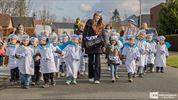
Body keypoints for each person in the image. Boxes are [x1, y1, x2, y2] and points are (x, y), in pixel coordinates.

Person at [82, 10, 105, 84]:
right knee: (90, 61)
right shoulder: (89, 23)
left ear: (100, 17)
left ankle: (97, 78)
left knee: (97, 62)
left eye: (99, 16)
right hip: (90, 44)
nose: (97, 17)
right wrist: (83, 45)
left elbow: (103, 36)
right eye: (96, 15)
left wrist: (104, 45)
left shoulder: (101, 25)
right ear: (94, 16)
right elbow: (84, 34)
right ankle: (91, 76)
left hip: (98, 44)